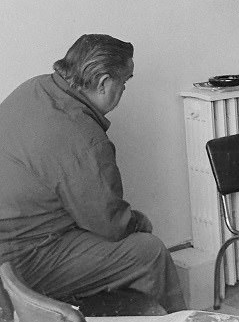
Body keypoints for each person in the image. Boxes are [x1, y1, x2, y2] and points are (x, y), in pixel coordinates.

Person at [0, 34, 186, 312]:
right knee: (149, 251)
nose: (124, 89)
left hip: (11, 239)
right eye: (125, 81)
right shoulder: (84, 138)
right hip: (24, 258)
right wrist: (138, 222)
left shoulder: (34, 88)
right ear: (103, 83)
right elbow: (110, 224)